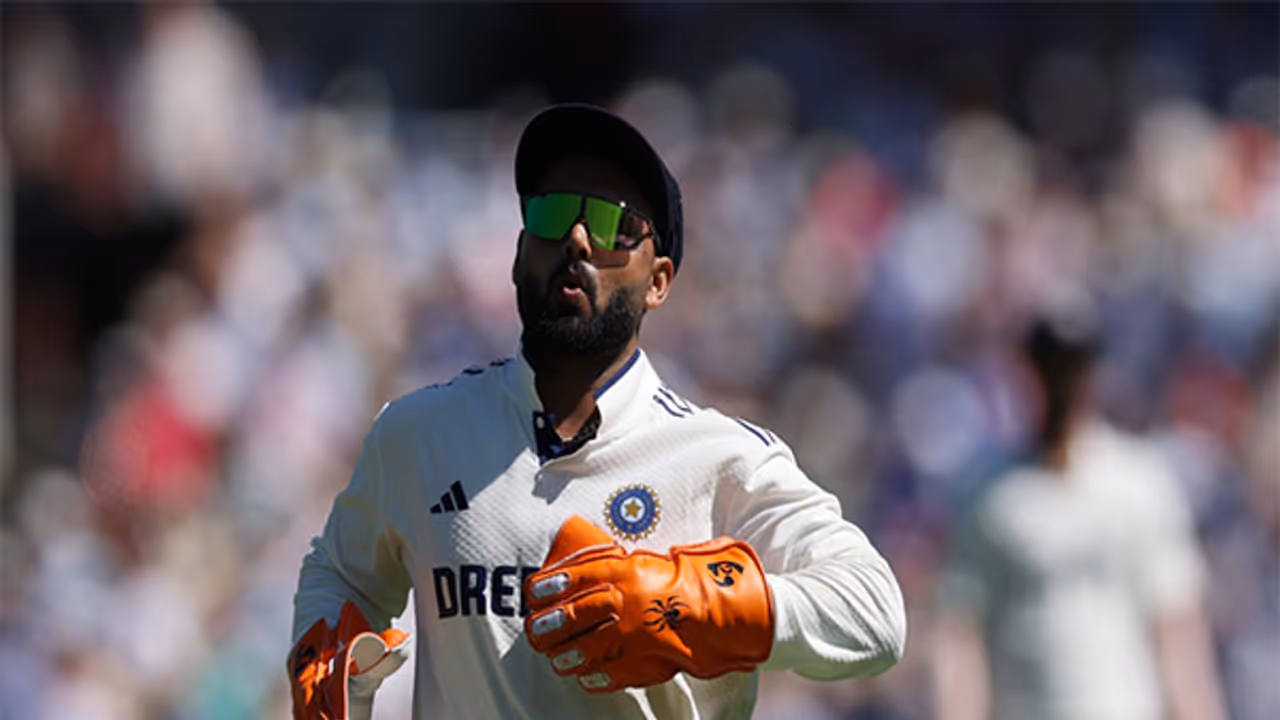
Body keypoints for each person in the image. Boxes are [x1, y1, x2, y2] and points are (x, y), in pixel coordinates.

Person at [288, 103, 906, 720]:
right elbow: (340, 574)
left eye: (614, 225)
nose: (578, 239)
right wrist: (325, 653)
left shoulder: (722, 458)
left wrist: (694, 603)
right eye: (553, 214)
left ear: (658, 281)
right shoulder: (418, 433)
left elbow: (875, 615)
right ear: (519, 253)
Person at [931, 314, 1227, 720]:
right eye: (1050, 369)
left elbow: (1178, 631)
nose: (1061, 386)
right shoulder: (991, 494)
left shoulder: (1140, 483)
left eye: (1070, 370)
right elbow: (961, 634)